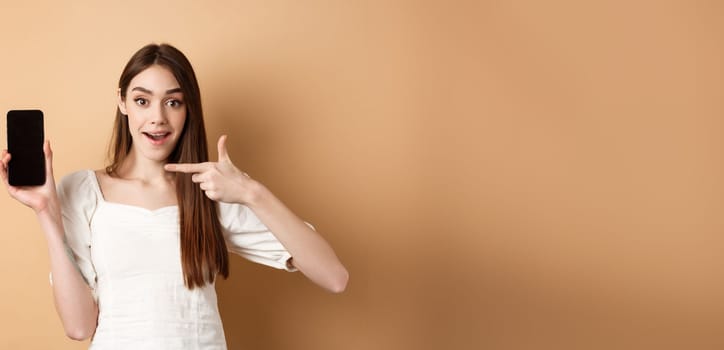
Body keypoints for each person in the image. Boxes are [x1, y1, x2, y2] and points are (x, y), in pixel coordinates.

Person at [0, 43, 349, 349]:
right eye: (142, 100)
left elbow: (334, 276)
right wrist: (46, 213)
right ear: (122, 102)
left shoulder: (211, 190)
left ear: (189, 109)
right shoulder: (81, 190)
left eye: (173, 102)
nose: (158, 118)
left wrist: (251, 192)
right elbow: (78, 327)